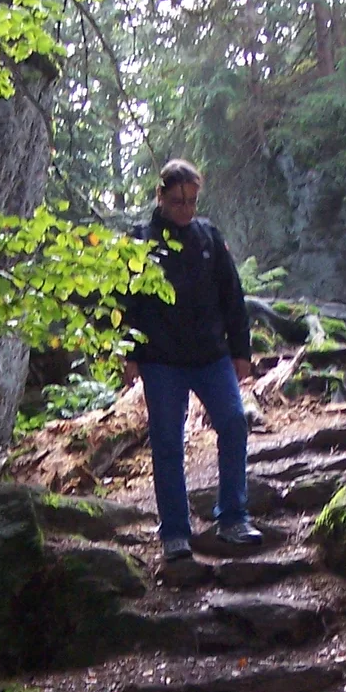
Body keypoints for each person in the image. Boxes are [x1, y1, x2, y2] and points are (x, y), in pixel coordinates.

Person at [121, 159, 264, 562]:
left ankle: (233, 517)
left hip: (210, 355)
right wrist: (128, 356)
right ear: (161, 197)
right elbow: (124, 301)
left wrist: (241, 351)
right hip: (160, 359)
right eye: (178, 201)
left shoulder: (208, 237)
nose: (186, 209)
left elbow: (232, 296)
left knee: (234, 423)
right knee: (167, 442)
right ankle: (175, 533)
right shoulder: (140, 241)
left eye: (192, 201)